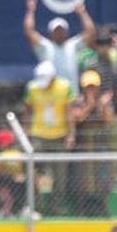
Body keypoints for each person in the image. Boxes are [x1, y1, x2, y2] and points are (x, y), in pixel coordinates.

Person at [22, 60, 75, 216]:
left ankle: (56, 206)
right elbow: (27, 111)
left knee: (60, 175)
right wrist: (26, 133)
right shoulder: (32, 88)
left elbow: (69, 112)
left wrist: (71, 134)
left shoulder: (65, 87)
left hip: (59, 135)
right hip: (38, 135)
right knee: (32, 170)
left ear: (53, 77)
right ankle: (34, 204)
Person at [23, 0, 95, 94]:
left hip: (71, 96)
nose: (59, 33)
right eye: (56, 31)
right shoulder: (45, 47)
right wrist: (30, 11)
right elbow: (29, 31)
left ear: (67, 32)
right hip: (51, 97)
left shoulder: (74, 45)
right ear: (51, 33)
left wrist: (83, 12)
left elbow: (91, 32)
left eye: (62, 30)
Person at [69, 70, 115, 217]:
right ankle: (82, 210)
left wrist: (103, 106)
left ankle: (102, 208)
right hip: (83, 147)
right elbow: (78, 118)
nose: (91, 90)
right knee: (82, 180)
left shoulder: (104, 102)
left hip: (99, 146)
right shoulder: (77, 102)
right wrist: (89, 105)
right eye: (88, 87)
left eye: (93, 87)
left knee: (102, 179)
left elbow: (109, 121)